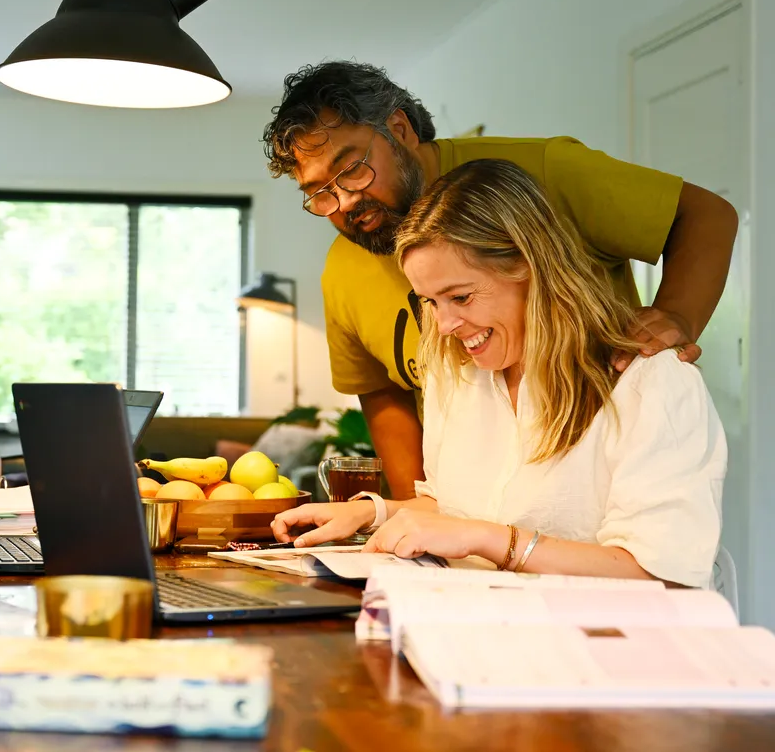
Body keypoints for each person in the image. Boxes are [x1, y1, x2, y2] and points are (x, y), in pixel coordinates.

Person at [262, 61, 739, 499]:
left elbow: (704, 216)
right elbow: (384, 394)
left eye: (351, 170)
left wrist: (676, 315)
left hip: (598, 480)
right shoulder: (344, 268)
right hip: (480, 509)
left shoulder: (540, 176)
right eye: (319, 192)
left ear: (400, 130)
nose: (343, 202)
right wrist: (416, 525)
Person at [271, 160, 725, 587]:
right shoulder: (458, 376)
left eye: (461, 297)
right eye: (431, 302)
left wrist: (489, 540)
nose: (445, 326)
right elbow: (455, 505)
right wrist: (374, 513)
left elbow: (659, 575)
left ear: (528, 265)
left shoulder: (651, 384)